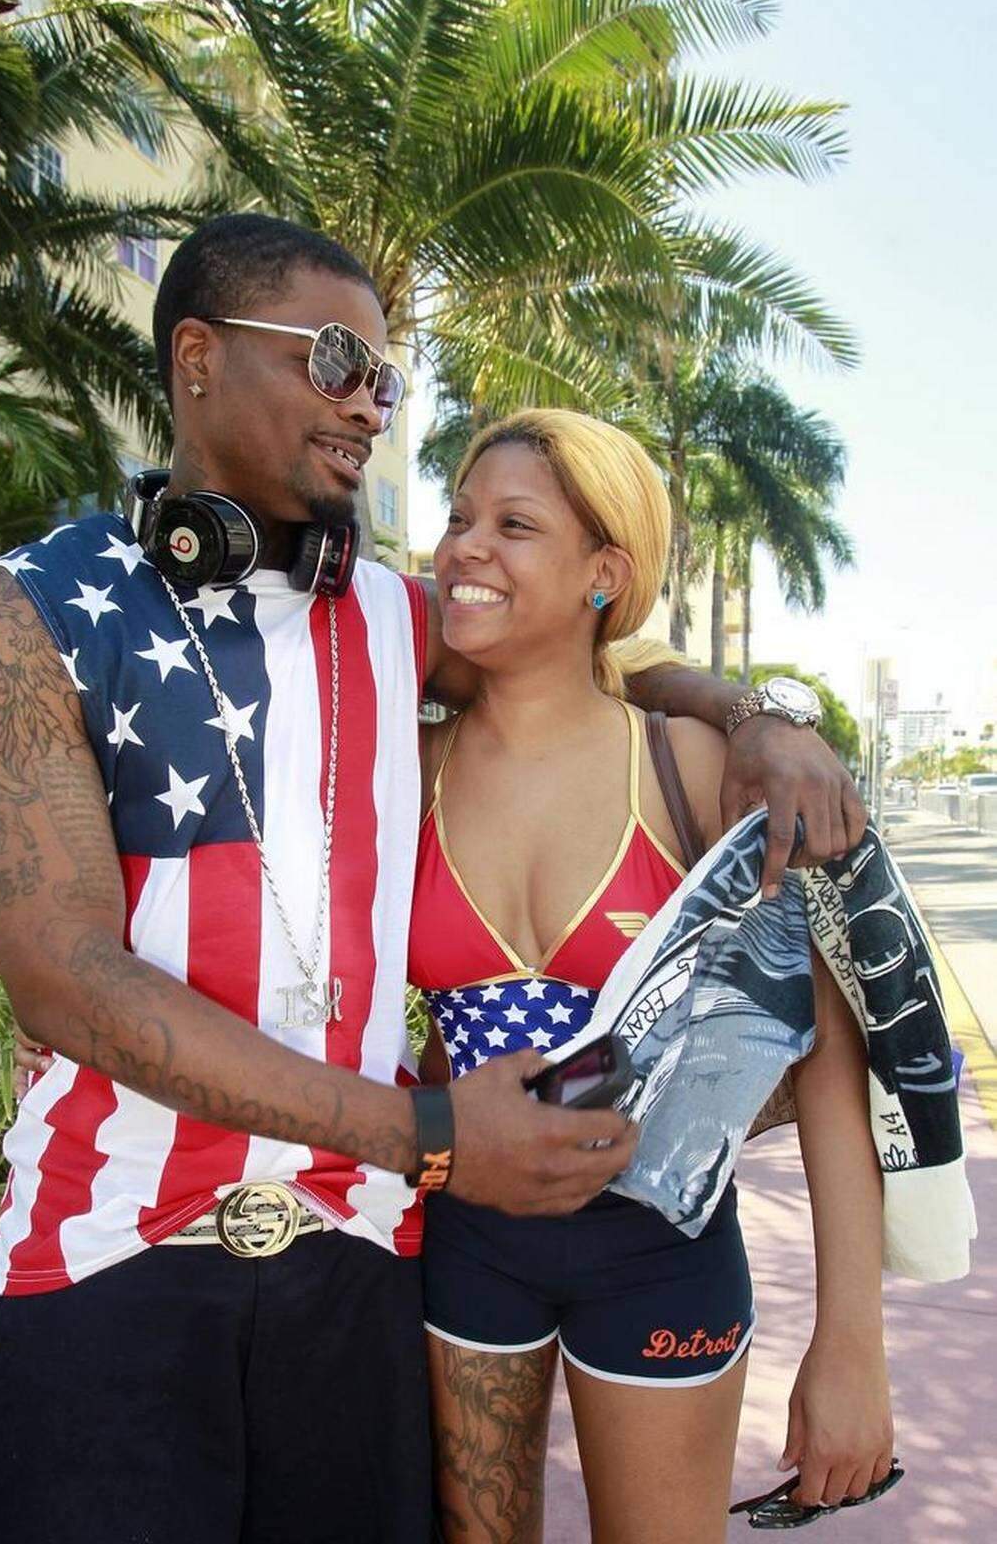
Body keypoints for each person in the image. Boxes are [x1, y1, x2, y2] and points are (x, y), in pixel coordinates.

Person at [0, 213, 866, 1544]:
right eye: (334, 361)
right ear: (196, 356)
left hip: (359, 1286)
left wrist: (759, 717)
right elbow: (67, 981)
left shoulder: (390, 616)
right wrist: (433, 1136)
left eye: (384, 378)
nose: (369, 406)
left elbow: (585, 642)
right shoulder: (26, 609)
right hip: (107, 1275)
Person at [409, 409, 893, 1544]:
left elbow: (823, 1057)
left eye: (515, 525)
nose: (465, 547)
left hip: (661, 1253)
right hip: (466, 1243)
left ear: (603, 573)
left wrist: (850, 1345)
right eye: (459, 518)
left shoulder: (697, 767)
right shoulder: (408, 766)